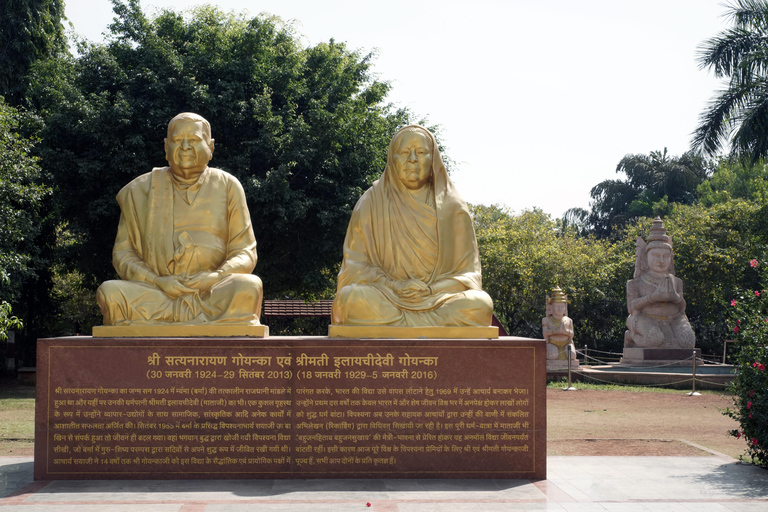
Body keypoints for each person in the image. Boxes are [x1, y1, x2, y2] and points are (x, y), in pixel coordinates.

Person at [96, 112, 263, 325]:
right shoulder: (140, 191)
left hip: (211, 292)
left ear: (210, 147)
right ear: (166, 148)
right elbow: (123, 254)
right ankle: (187, 316)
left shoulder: (228, 185)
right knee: (110, 292)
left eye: (193, 140)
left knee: (248, 287)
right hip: (158, 292)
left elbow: (245, 251)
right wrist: (158, 281)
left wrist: (216, 276)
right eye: (177, 140)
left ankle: (182, 316)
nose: (185, 146)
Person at [331, 125, 493, 327]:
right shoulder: (372, 201)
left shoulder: (452, 206)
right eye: (405, 152)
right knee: (349, 300)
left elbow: (468, 274)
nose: (413, 159)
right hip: (387, 294)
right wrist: (394, 285)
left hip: (439, 297)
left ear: (432, 159)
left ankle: (401, 323)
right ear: (393, 159)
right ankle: (426, 324)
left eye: (422, 152)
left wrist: (431, 290)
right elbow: (355, 266)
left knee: (480, 303)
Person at [624, 217, 695, 348]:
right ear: (646, 258)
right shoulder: (635, 283)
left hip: (674, 318)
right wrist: (652, 298)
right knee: (654, 340)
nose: (661, 260)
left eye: (665, 256)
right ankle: (631, 336)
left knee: (688, 342)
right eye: (656, 256)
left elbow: (682, 307)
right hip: (644, 318)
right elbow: (632, 307)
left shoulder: (676, 281)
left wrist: (675, 298)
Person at [542, 287, 576, 360]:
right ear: (551, 307)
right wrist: (555, 331)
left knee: (572, 356)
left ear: (565, 307)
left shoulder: (569, 320)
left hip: (566, 343)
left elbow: (572, 334)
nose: (560, 309)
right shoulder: (546, 320)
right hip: (552, 343)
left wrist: (566, 332)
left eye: (561, 306)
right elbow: (545, 333)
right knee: (552, 356)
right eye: (557, 306)